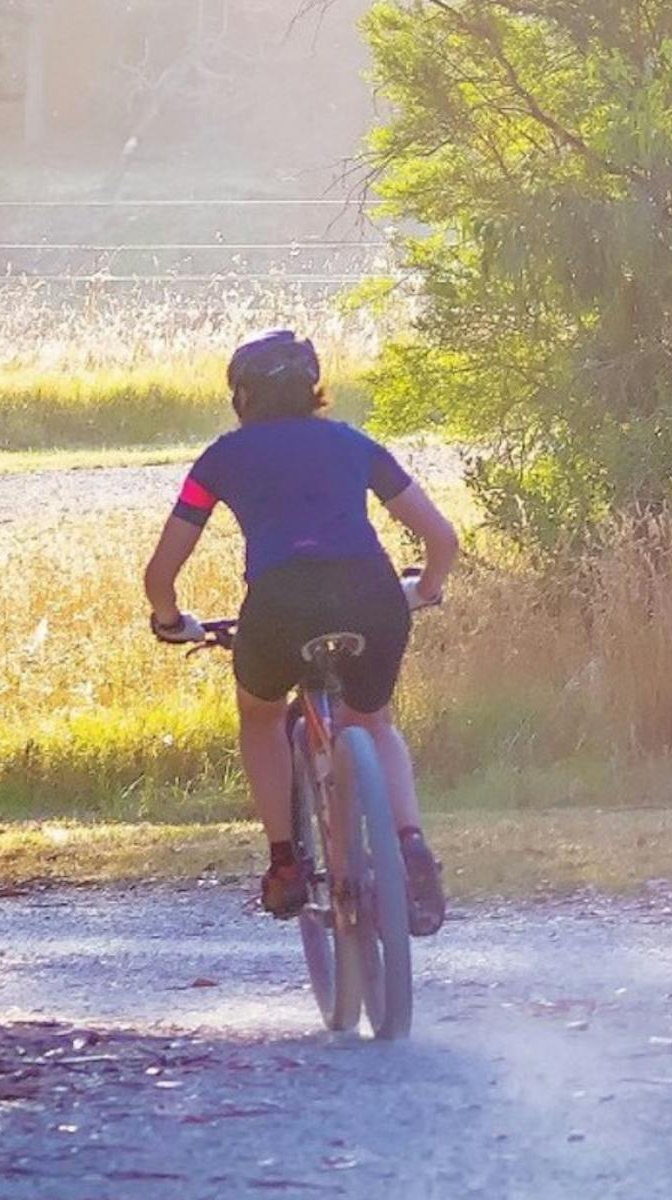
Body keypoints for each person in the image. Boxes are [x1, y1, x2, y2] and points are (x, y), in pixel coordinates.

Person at [142, 330, 461, 932]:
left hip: (280, 605)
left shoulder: (220, 460)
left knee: (261, 714)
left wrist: (170, 620)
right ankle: (412, 847)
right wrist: (426, 589)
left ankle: (285, 863)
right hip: (370, 594)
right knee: (373, 720)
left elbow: (161, 572)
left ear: (241, 398)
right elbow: (442, 541)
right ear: (314, 390)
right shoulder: (354, 443)